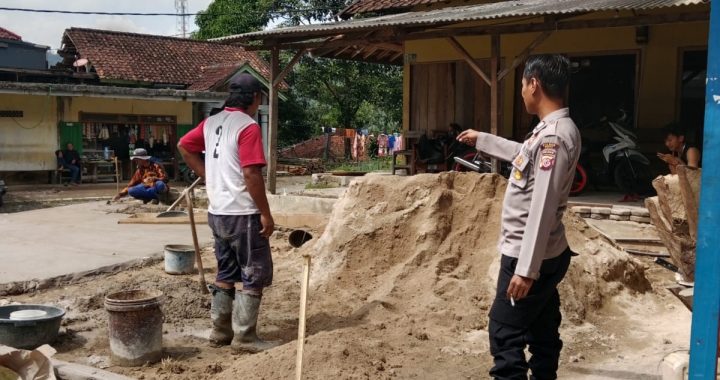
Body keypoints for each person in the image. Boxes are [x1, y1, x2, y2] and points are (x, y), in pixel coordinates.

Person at [457, 54, 580, 380]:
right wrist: (482, 139)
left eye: (523, 85)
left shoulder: (553, 137)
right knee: (541, 331)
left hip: (527, 256)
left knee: (504, 332)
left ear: (534, 84)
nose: (522, 92)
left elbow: (542, 204)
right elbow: (523, 156)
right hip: (547, 252)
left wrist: (526, 270)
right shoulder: (551, 131)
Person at [177, 73, 277, 353]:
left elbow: (184, 145)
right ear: (256, 98)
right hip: (242, 212)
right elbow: (251, 173)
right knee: (253, 272)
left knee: (225, 270)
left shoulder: (212, 121)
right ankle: (245, 337)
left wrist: (207, 175)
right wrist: (265, 213)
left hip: (217, 212)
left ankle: (220, 331)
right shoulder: (247, 126)